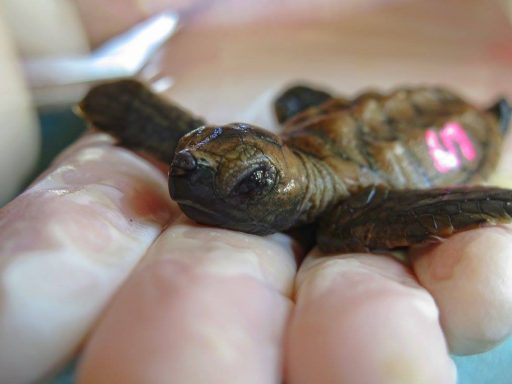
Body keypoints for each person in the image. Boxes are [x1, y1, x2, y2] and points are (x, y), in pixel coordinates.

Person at [1, 1, 512, 383]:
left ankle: (497, 115)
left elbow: (433, 203)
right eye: (183, 167)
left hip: (445, 125)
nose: (187, 180)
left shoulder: (348, 214)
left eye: (251, 185)